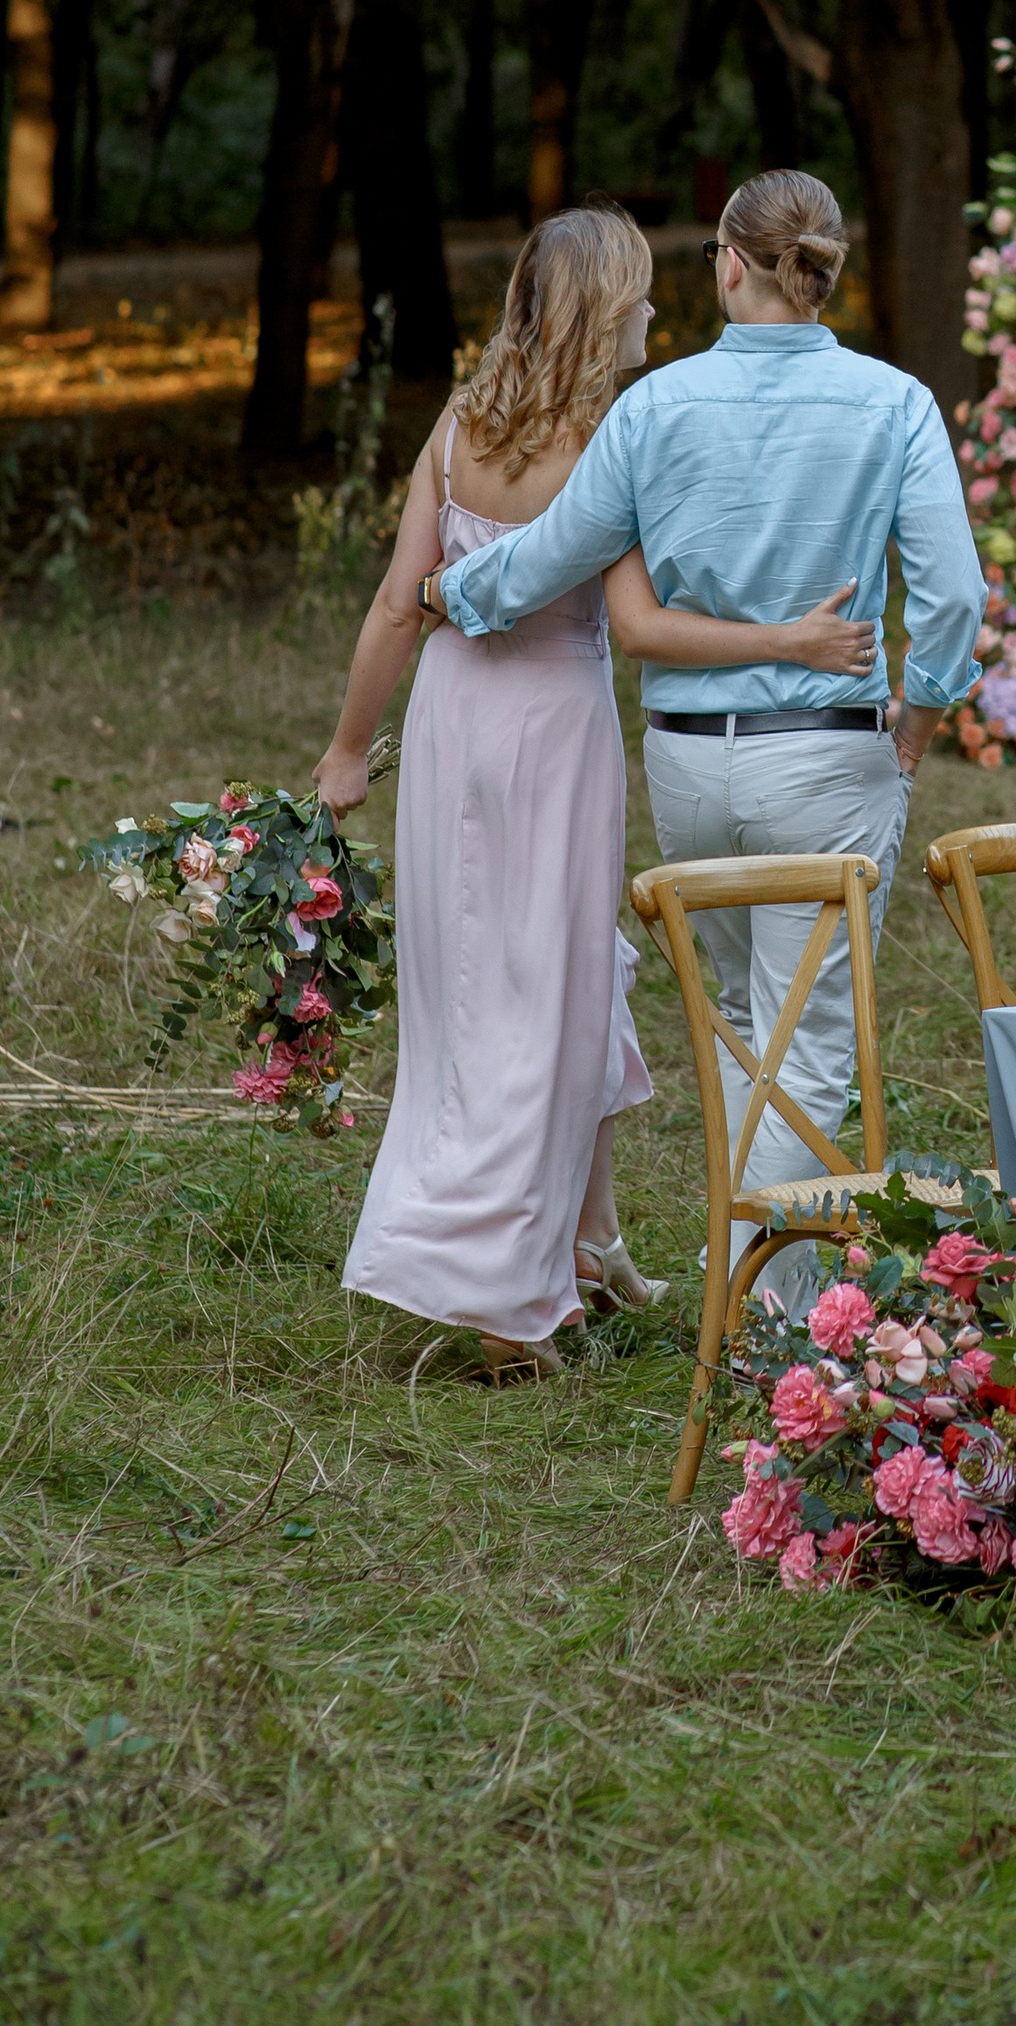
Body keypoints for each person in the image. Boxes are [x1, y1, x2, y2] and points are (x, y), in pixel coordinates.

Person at [319, 202, 879, 1379]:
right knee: (541, 1006)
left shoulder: (463, 419)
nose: (655, 312)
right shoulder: (613, 437)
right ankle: (505, 1300)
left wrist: (343, 751)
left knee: (480, 995)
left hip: (448, 729)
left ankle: (585, 1246)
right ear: (600, 307)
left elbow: (393, 604)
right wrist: (791, 638)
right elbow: (637, 626)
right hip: (551, 738)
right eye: (637, 294)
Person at [426, 170, 985, 1290]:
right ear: (823, 274)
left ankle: (748, 1284)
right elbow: (955, 599)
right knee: (810, 1042)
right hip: (829, 756)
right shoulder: (895, 402)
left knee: (739, 1020)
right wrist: (914, 728)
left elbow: (552, 555)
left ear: (729, 263)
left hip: (687, 764)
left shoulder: (653, 406)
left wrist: (456, 593)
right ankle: (776, 1330)